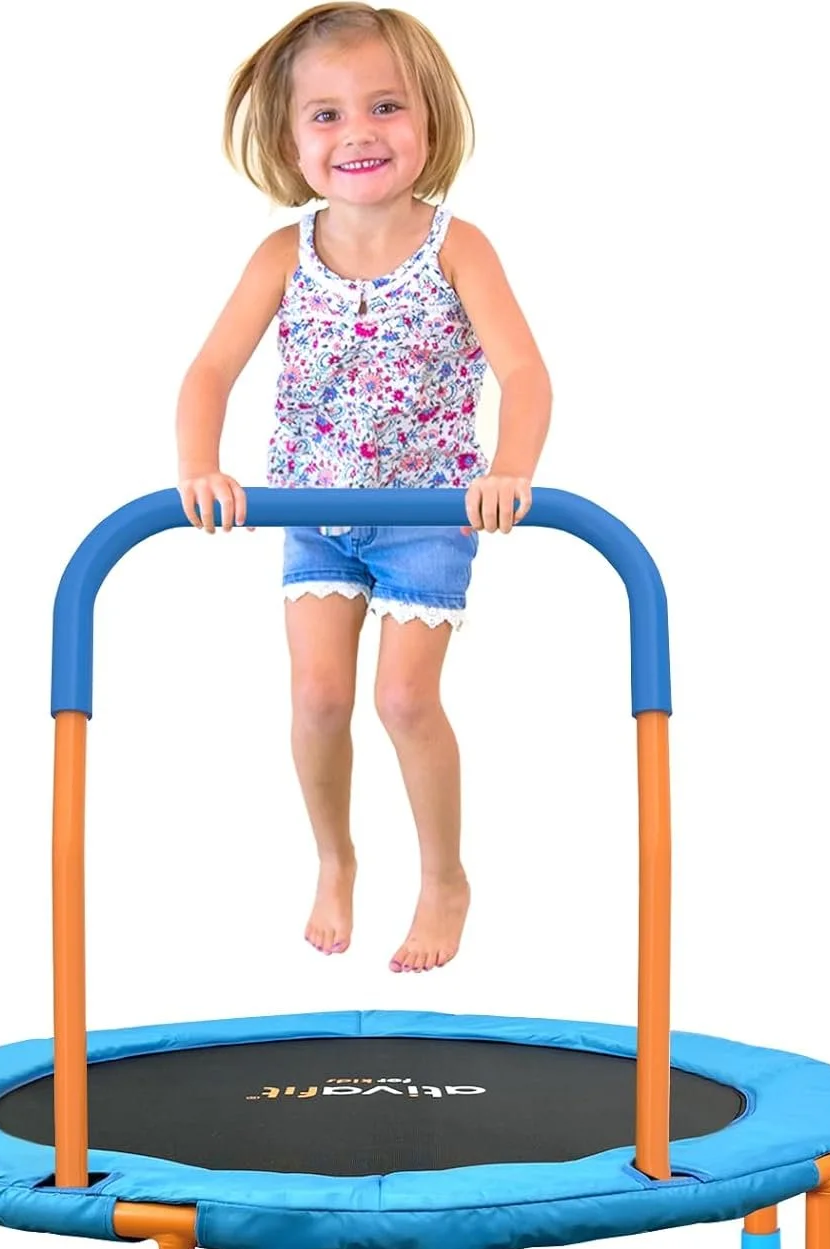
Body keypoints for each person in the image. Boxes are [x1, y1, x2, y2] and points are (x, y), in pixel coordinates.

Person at [175, 2, 552, 972]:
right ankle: (334, 858)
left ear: (429, 119)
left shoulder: (457, 247)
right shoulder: (282, 255)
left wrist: (509, 470)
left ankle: (443, 878)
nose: (359, 133)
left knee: (403, 700)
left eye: (385, 106)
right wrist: (201, 465)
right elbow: (209, 370)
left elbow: (524, 373)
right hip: (313, 510)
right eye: (327, 114)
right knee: (314, 699)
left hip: (425, 511)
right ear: (290, 142)